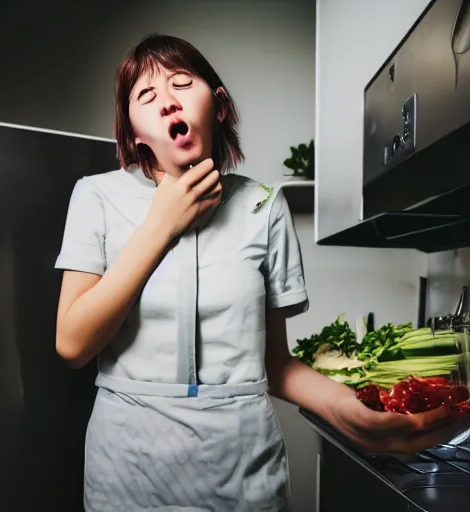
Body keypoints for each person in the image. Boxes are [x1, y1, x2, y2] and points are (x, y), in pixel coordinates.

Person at [54, 34, 469, 511]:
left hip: (243, 475)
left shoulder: (262, 205)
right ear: (134, 134)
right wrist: (160, 226)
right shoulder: (95, 197)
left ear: (220, 106)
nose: (167, 101)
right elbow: (72, 344)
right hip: (127, 475)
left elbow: (275, 363)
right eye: (146, 96)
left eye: (182, 84)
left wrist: (355, 416)